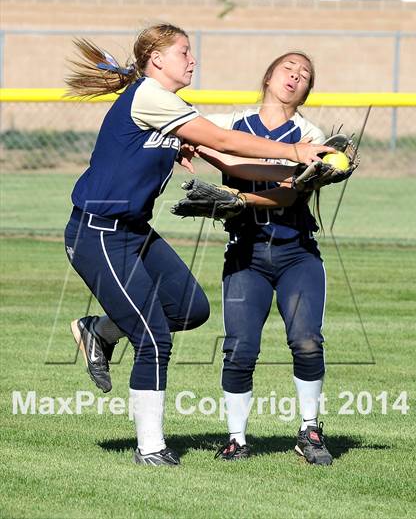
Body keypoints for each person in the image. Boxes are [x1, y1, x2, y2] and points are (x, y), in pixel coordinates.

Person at [64, 26, 334, 467]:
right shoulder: (149, 95)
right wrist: (295, 150)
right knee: (154, 338)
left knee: (190, 309)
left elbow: (228, 160)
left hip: (133, 232)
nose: (192, 60)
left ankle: (100, 331)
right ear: (156, 59)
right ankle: (150, 448)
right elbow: (225, 139)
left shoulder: (171, 106)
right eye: (184, 52)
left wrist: (296, 170)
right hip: (98, 232)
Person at [197, 51, 334, 465]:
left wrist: (235, 192)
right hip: (246, 253)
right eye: (288, 69)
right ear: (269, 76)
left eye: (304, 75)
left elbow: (291, 191)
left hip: (297, 252)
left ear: (307, 90)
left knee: (307, 341)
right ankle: (237, 438)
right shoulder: (228, 124)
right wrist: (191, 150)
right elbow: (191, 135)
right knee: (240, 348)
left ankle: (309, 430)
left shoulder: (310, 134)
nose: (295, 77)